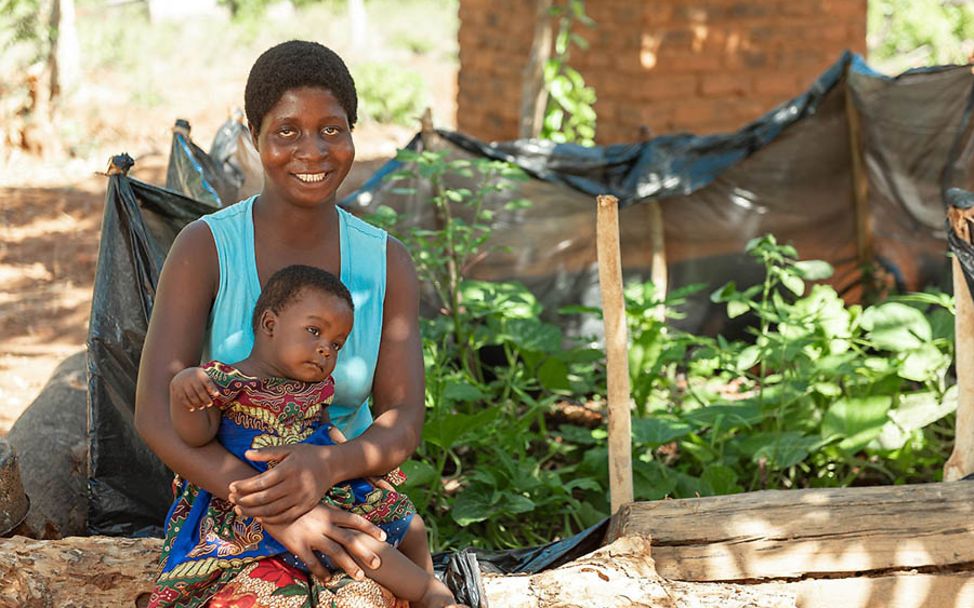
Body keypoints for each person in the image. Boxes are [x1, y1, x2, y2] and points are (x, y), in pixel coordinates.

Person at [135, 40, 436, 607]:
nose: (313, 151)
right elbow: (154, 412)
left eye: (332, 128)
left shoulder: (385, 261)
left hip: (346, 482)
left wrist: (328, 465)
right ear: (254, 136)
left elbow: (403, 417)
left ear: (352, 132)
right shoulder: (206, 248)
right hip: (227, 489)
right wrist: (279, 511)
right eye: (287, 131)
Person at [150, 265, 457, 607]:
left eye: (337, 344)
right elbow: (196, 436)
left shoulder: (314, 388)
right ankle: (431, 595)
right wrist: (184, 394)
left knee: (411, 523)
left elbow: (323, 429)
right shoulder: (223, 381)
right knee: (355, 541)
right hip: (254, 501)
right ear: (270, 325)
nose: (326, 349)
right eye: (315, 331)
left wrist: (356, 463)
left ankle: (421, 587)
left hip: (317, 486)